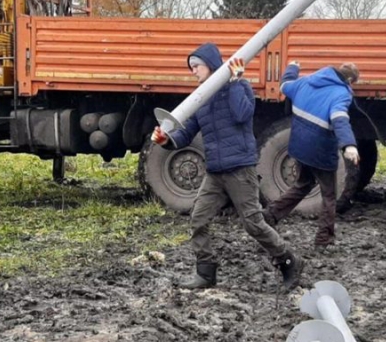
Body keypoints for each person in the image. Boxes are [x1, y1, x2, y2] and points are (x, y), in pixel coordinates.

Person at [151, 42, 304, 290]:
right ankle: (205, 273)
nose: (193, 71)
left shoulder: (239, 86)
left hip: (240, 169)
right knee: (198, 218)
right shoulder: (200, 98)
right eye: (191, 68)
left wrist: (234, 81)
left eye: (196, 66)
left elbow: (243, 114)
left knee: (253, 223)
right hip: (215, 172)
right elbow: (187, 132)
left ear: (211, 65)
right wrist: (166, 140)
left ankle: (289, 262)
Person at [262, 61, 360, 248]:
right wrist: (349, 145)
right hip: (321, 151)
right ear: (348, 79)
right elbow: (340, 119)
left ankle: (270, 215)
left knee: (303, 184)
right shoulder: (341, 94)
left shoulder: (305, 82)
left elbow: (284, 85)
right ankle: (324, 239)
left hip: (300, 147)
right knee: (329, 196)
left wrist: (292, 67)